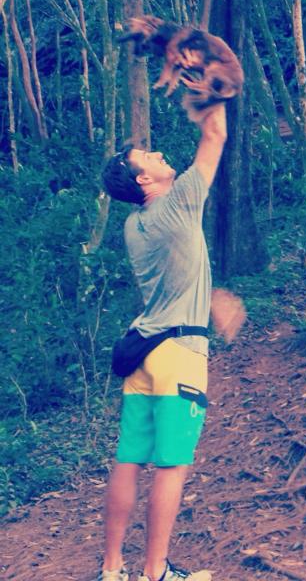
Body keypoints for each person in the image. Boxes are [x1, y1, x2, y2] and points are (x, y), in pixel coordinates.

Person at [96, 102, 228, 581]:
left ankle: (112, 570)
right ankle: (156, 573)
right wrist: (209, 83)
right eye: (147, 157)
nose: (156, 153)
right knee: (171, 466)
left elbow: (179, 272)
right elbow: (214, 133)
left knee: (129, 459)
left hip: (143, 352)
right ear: (143, 183)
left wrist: (213, 296)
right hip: (180, 356)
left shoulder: (135, 226)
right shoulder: (180, 201)